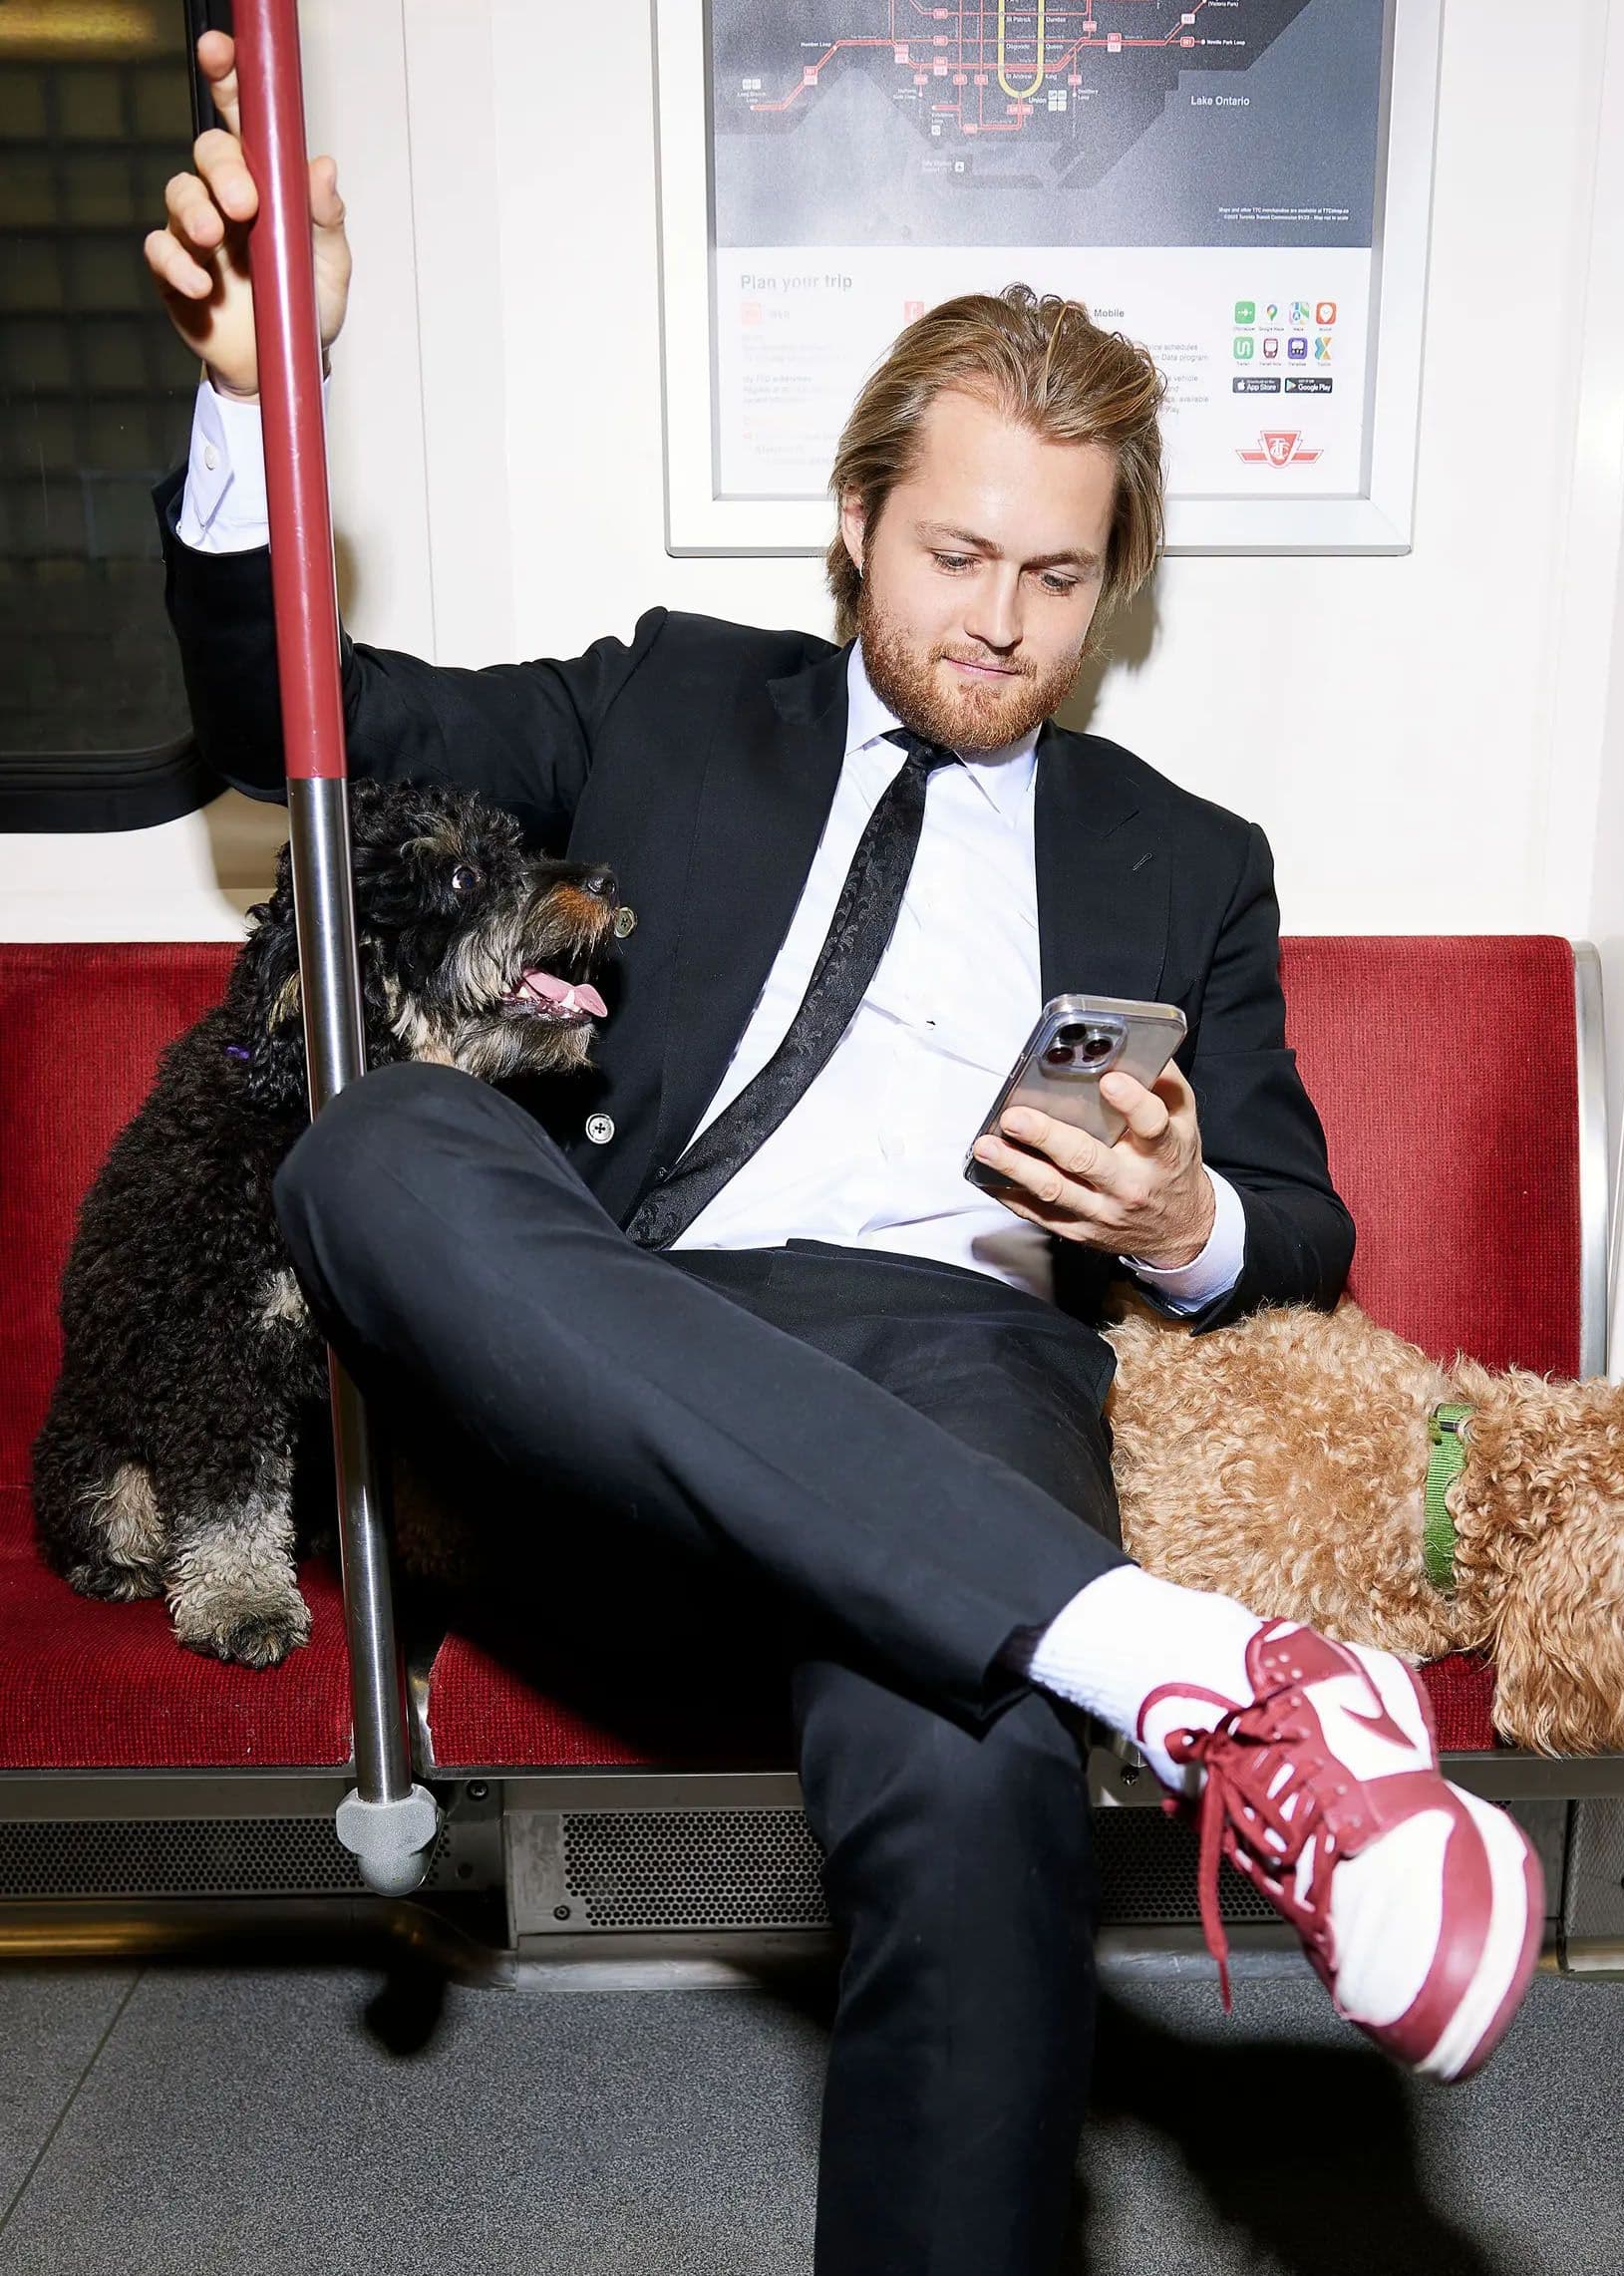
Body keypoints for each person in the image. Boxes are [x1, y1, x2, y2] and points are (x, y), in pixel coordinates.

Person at [144, 30, 1543, 2275]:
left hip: (951, 1367)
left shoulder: (1183, 852)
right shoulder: (672, 694)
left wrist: (1186, 1221)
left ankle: (1084, 1650)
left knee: (976, 1761)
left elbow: (1302, 1226)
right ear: (858, 522)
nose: (1000, 616)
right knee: (374, 1146)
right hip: (610, 1368)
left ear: (1119, 590)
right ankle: (1161, 1653)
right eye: (959, 548)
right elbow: (286, 723)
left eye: (1061, 576)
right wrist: (256, 409)